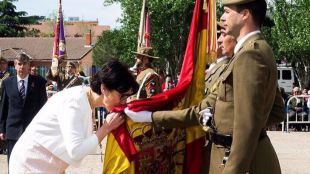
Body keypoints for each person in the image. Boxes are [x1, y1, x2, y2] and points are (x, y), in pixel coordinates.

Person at [125, 0, 283, 173]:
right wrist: (150, 116)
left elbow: (246, 128)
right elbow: (275, 111)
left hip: (240, 163)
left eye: (227, 12)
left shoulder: (249, 55)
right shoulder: (258, 49)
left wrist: (235, 136)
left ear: (245, 14)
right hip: (245, 156)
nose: (222, 18)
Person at [8, 60, 139, 173]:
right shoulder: (74, 102)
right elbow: (75, 151)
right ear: (104, 88)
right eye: (122, 96)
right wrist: (105, 128)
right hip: (30, 166)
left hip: (47, 167)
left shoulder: (85, 100)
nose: (125, 102)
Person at [0, 53, 47, 166]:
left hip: (32, 131)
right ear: (15, 66)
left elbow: (43, 107)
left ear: (29, 65)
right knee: (13, 163)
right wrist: (1, 129)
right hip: (12, 131)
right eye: (19, 64)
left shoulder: (39, 82)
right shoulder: (7, 83)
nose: (22, 67)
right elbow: (3, 107)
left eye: (24, 64)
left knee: (31, 164)